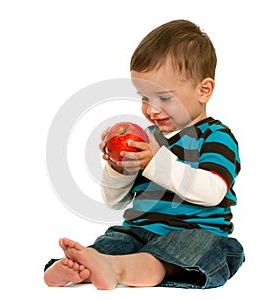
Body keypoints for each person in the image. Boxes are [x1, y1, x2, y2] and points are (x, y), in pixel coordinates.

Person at [44, 19, 245, 290]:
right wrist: (119, 168)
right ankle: (89, 266)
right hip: (139, 231)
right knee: (115, 242)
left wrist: (155, 161)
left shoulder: (216, 136)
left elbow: (212, 192)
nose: (151, 109)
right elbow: (115, 202)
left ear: (203, 90)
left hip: (196, 234)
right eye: (144, 97)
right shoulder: (148, 138)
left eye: (164, 98)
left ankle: (112, 267)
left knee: (176, 254)